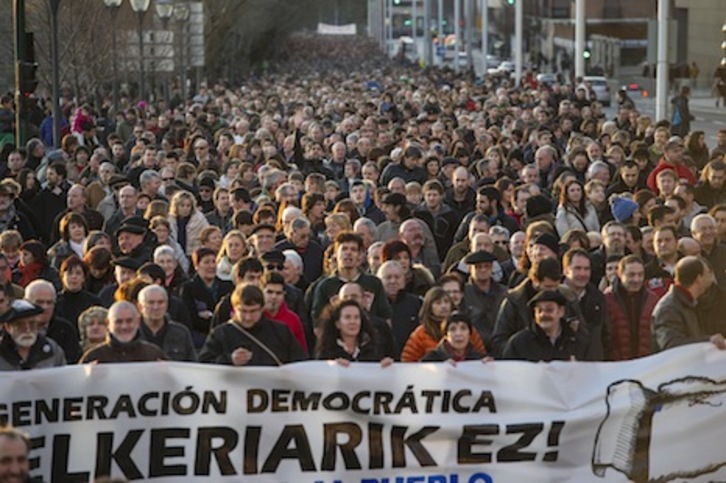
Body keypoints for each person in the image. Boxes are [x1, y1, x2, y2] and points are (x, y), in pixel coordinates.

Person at [198, 284, 306, 366]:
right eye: (243, 311)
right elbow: (203, 366)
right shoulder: (220, 334)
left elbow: (299, 363)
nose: (248, 317)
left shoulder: (281, 331)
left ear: (262, 308)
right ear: (234, 309)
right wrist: (229, 360)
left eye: (253, 311)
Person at [652, 256, 725, 351]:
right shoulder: (669, 308)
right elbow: (670, 344)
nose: (710, 278)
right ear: (699, 278)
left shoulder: (691, 303)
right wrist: (708, 340)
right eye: (707, 274)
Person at [502, 290, 598, 362]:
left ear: (561, 311)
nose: (543, 315)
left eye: (549, 310)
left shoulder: (579, 343)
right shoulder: (519, 343)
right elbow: (507, 374)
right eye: (539, 310)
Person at [79, 300, 168, 363]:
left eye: (129, 321)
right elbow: (78, 387)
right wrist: (87, 377)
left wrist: (165, 374)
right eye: (118, 322)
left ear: (137, 322)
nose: (124, 327)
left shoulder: (153, 354)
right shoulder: (94, 357)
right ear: (108, 324)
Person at [180, 247, 234, 347]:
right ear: (197, 266)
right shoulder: (188, 288)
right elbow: (191, 318)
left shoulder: (228, 286)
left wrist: (209, 315)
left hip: (226, 334)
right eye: (206, 262)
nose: (211, 266)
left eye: (213, 262)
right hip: (200, 337)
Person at [315, 299, 393, 366]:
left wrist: (385, 366)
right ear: (337, 324)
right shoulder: (326, 350)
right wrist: (332, 368)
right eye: (347, 317)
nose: (353, 322)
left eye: (356, 317)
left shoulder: (373, 347)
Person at [0, 299, 66, 370]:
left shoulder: (52, 350)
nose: (27, 330)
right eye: (20, 325)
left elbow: (64, 377)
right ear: (8, 327)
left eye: (32, 324)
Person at [459, 250, 507, 347]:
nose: (483, 270)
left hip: (501, 345)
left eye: (487, 266)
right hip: (474, 346)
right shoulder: (463, 293)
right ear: (470, 269)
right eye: (478, 267)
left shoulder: (504, 292)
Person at [137, 284, 196, 362]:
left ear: (167, 305)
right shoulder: (131, 333)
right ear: (140, 307)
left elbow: (192, 365)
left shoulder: (181, 333)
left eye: (160, 302)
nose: (156, 307)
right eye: (151, 303)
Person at [421, 312, 488, 362]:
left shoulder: (479, 360)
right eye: (453, 329)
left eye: (463, 328)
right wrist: (440, 369)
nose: (458, 334)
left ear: (469, 334)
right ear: (445, 335)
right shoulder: (431, 359)